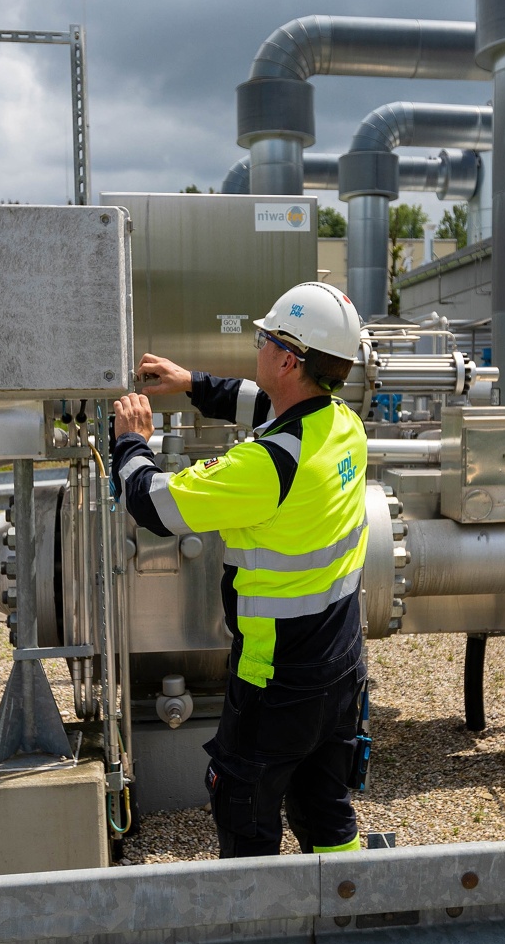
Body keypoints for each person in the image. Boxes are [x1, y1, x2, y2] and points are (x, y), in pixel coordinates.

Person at [112, 284, 370, 828]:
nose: (257, 347)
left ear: (286, 357)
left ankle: (258, 910)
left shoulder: (265, 466)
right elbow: (266, 404)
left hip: (275, 678)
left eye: (263, 338)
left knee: (245, 814)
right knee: (326, 811)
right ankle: (348, 906)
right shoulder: (343, 425)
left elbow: (152, 505)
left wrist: (131, 442)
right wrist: (191, 384)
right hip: (340, 663)